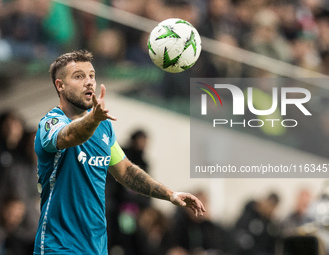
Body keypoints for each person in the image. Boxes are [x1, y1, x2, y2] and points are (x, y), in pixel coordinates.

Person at [33, 50, 206, 255]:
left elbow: (126, 171)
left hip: (96, 247)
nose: (89, 82)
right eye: (78, 76)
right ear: (60, 85)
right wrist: (93, 120)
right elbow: (69, 137)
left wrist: (170, 194)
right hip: (59, 246)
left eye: (92, 75)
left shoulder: (103, 126)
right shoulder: (51, 123)